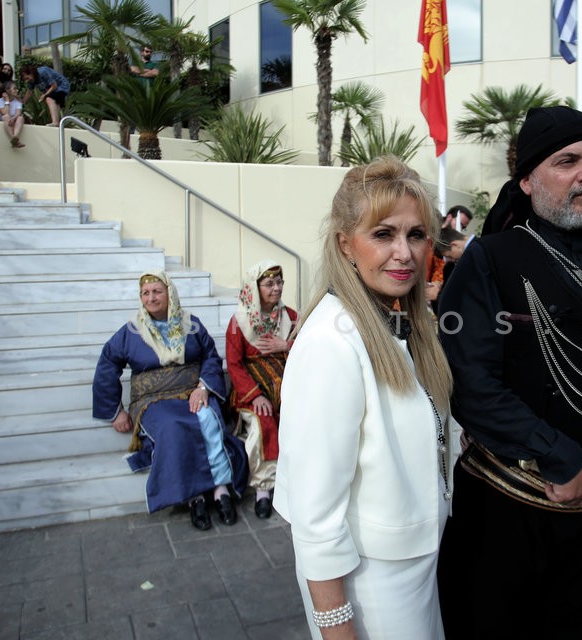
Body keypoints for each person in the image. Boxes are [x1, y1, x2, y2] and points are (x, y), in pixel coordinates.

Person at [436, 106, 582, 639]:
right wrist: (559, 454)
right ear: (528, 180)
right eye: (568, 161)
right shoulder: (490, 258)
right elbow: (470, 381)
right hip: (511, 513)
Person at [274, 155, 456, 639]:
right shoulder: (332, 341)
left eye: (416, 235)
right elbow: (314, 513)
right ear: (345, 245)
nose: (405, 252)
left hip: (413, 570)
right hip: (371, 584)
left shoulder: (395, 321)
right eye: (383, 234)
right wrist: (336, 625)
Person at [92, 271, 249, 531]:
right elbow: (108, 363)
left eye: (157, 291)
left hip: (192, 391)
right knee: (174, 427)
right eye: (146, 293)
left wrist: (203, 388)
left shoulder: (191, 324)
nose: (151, 298)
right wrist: (115, 411)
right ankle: (194, 496)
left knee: (207, 418)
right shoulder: (132, 330)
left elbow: (211, 356)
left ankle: (221, 489)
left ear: (169, 293)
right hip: (153, 400)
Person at [226, 260, 297, 519]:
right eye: (269, 284)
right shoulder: (239, 322)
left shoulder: (291, 317)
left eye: (279, 282)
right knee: (262, 421)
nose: (276, 288)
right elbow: (234, 364)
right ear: (255, 288)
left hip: (288, 381)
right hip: (255, 388)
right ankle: (264, 490)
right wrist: (255, 395)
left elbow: (310, 349)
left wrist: (286, 346)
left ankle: (298, 480)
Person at [0, 80, 25, 148]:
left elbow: (18, 113)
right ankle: (13, 139)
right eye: (14, 88)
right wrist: (7, 101)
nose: (17, 90)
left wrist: (14, 118)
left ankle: (15, 136)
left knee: (20, 118)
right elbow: (4, 112)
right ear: (7, 90)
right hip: (4, 119)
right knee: (6, 116)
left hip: (12, 119)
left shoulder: (17, 102)